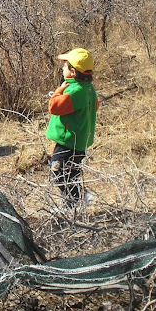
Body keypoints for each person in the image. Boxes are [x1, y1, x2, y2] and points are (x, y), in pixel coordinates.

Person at [46, 48, 98, 206]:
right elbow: (95, 106)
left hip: (68, 141)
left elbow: (54, 107)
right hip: (79, 141)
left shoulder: (75, 91)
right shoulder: (88, 89)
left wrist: (59, 91)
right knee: (71, 174)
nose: (62, 68)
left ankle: (76, 201)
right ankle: (76, 202)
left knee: (58, 173)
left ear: (73, 72)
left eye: (65, 66)